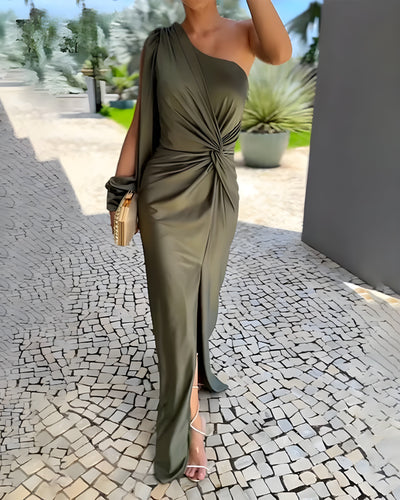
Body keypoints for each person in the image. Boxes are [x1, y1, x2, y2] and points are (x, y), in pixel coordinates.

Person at [105, 0, 292, 485]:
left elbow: (280, 53)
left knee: (201, 298)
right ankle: (188, 422)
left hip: (218, 193)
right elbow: (142, 120)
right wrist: (120, 188)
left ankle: (195, 366)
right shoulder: (159, 45)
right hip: (164, 194)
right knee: (173, 308)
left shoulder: (248, 33)